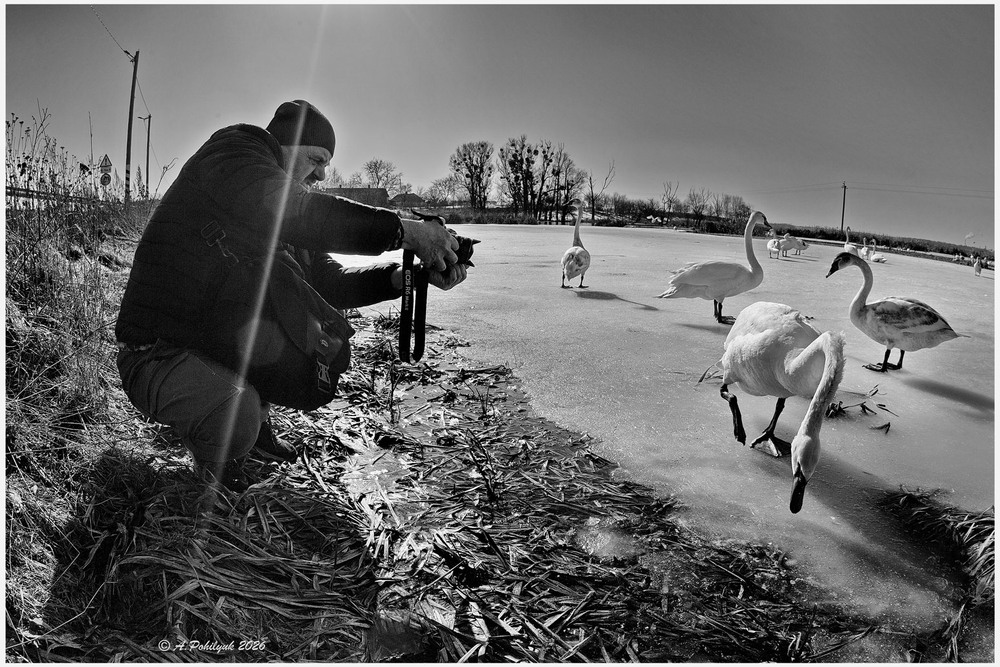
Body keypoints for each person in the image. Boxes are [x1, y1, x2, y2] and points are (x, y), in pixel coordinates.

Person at [115, 100, 468, 492]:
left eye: (326, 164)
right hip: (155, 352)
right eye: (316, 159)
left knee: (274, 339)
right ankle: (216, 456)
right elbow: (300, 211)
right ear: (288, 143)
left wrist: (405, 277)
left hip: (205, 338)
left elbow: (328, 280)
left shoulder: (278, 199)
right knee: (238, 413)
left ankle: (252, 428)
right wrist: (407, 232)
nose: (321, 173)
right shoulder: (234, 154)